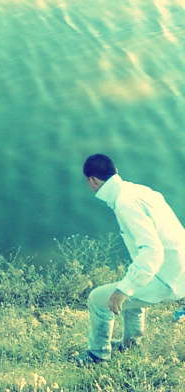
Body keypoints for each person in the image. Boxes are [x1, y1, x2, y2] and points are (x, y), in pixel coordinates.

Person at [75, 153, 185, 364]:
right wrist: (129, 284)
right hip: (179, 268)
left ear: (93, 180)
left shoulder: (125, 203)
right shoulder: (141, 191)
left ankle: (97, 355)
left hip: (168, 278)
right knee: (132, 286)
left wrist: (124, 289)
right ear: (115, 172)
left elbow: (152, 251)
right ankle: (131, 345)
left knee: (98, 299)